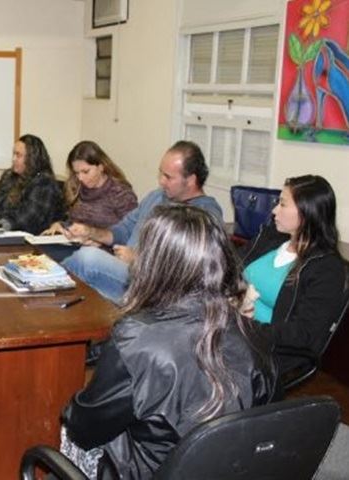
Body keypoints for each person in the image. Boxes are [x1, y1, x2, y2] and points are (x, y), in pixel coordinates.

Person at [60, 205, 274, 478]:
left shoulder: (136, 339)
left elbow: (85, 428)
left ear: (152, 263)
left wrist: (70, 410)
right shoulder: (253, 332)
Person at [62, 140, 222, 303]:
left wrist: (139, 260)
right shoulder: (156, 197)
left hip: (154, 287)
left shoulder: (205, 213)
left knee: (87, 259)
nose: (161, 181)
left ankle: (48, 280)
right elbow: (122, 231)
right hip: (126, 274)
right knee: (84, 287)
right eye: (161, 173)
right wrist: (91, 233)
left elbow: (191, 270)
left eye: (168, 177)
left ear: (190, 180)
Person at [242, 175, 348, 380]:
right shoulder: (271, 237)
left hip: (269, 348)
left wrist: (248, 329)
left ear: (307, 213)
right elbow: (232, 268)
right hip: (236, 329)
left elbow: (303, 333)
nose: (274, 211)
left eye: (282, 204)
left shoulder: (326, 269)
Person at [42, 140, 137, 235]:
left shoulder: (120, 193)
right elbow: (75, 223)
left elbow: (132, 234)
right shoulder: (77, 188)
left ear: (101, 167)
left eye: (86, 171)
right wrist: (60, 225)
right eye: (76, 173)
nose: (80, 178)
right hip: (77, 244)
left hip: (105, 248)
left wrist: (99, 240)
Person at [0, 134, 64, 234]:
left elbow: (26, 219)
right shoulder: (9, 175)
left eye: (18, 155)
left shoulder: (44, 183)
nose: (13, 159)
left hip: (27, 241)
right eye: (13, 154)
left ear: (32, 158)